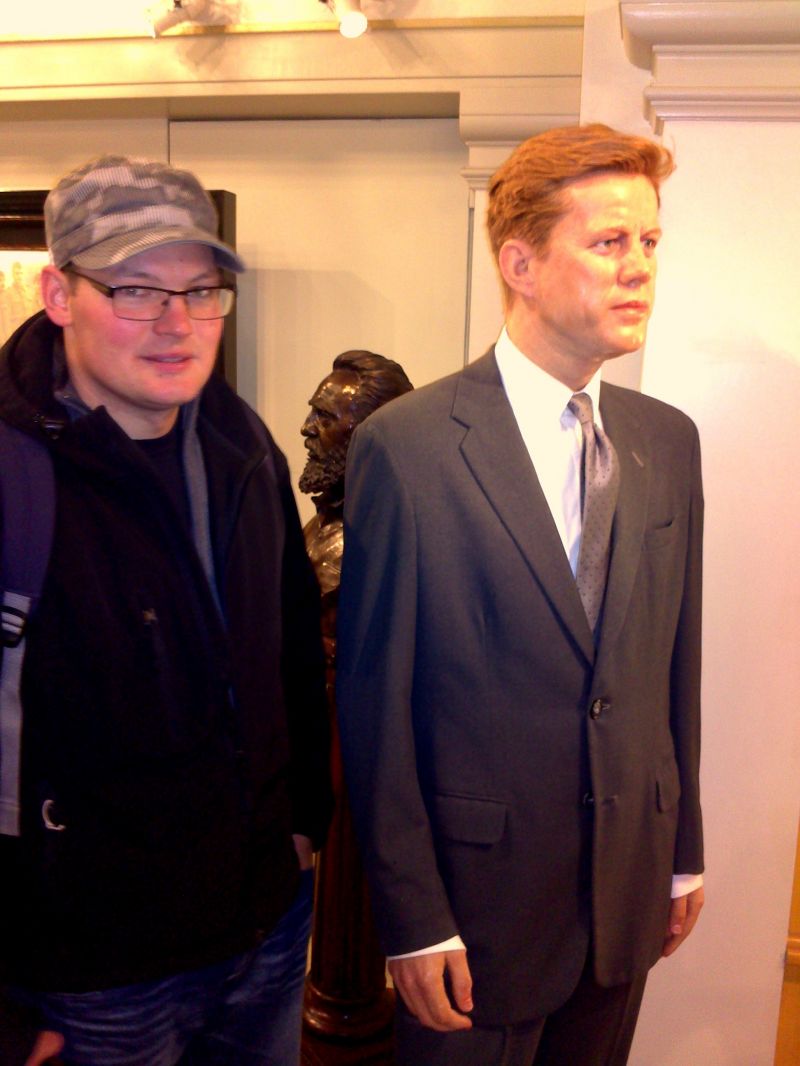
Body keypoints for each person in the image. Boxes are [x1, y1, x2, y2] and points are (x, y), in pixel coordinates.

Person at [336, 124, 705, 1066]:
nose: (640, 267)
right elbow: (376, 709)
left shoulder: (667, 442)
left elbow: (675, 664)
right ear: (521, 263)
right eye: (610, 241)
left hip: (626, 892)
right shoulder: (409, 448)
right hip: (475, 913)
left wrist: (682, 850)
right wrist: (413, 918)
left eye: (649, 241)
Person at [0, 155, 332, 1066]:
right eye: (136, 289)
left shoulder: (243, 445)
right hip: (91, 973)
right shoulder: (12, 473)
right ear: (59, 293)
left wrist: (304, 824)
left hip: (264, 929)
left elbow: (290, 652)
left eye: (199, 291)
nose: (177, 322)